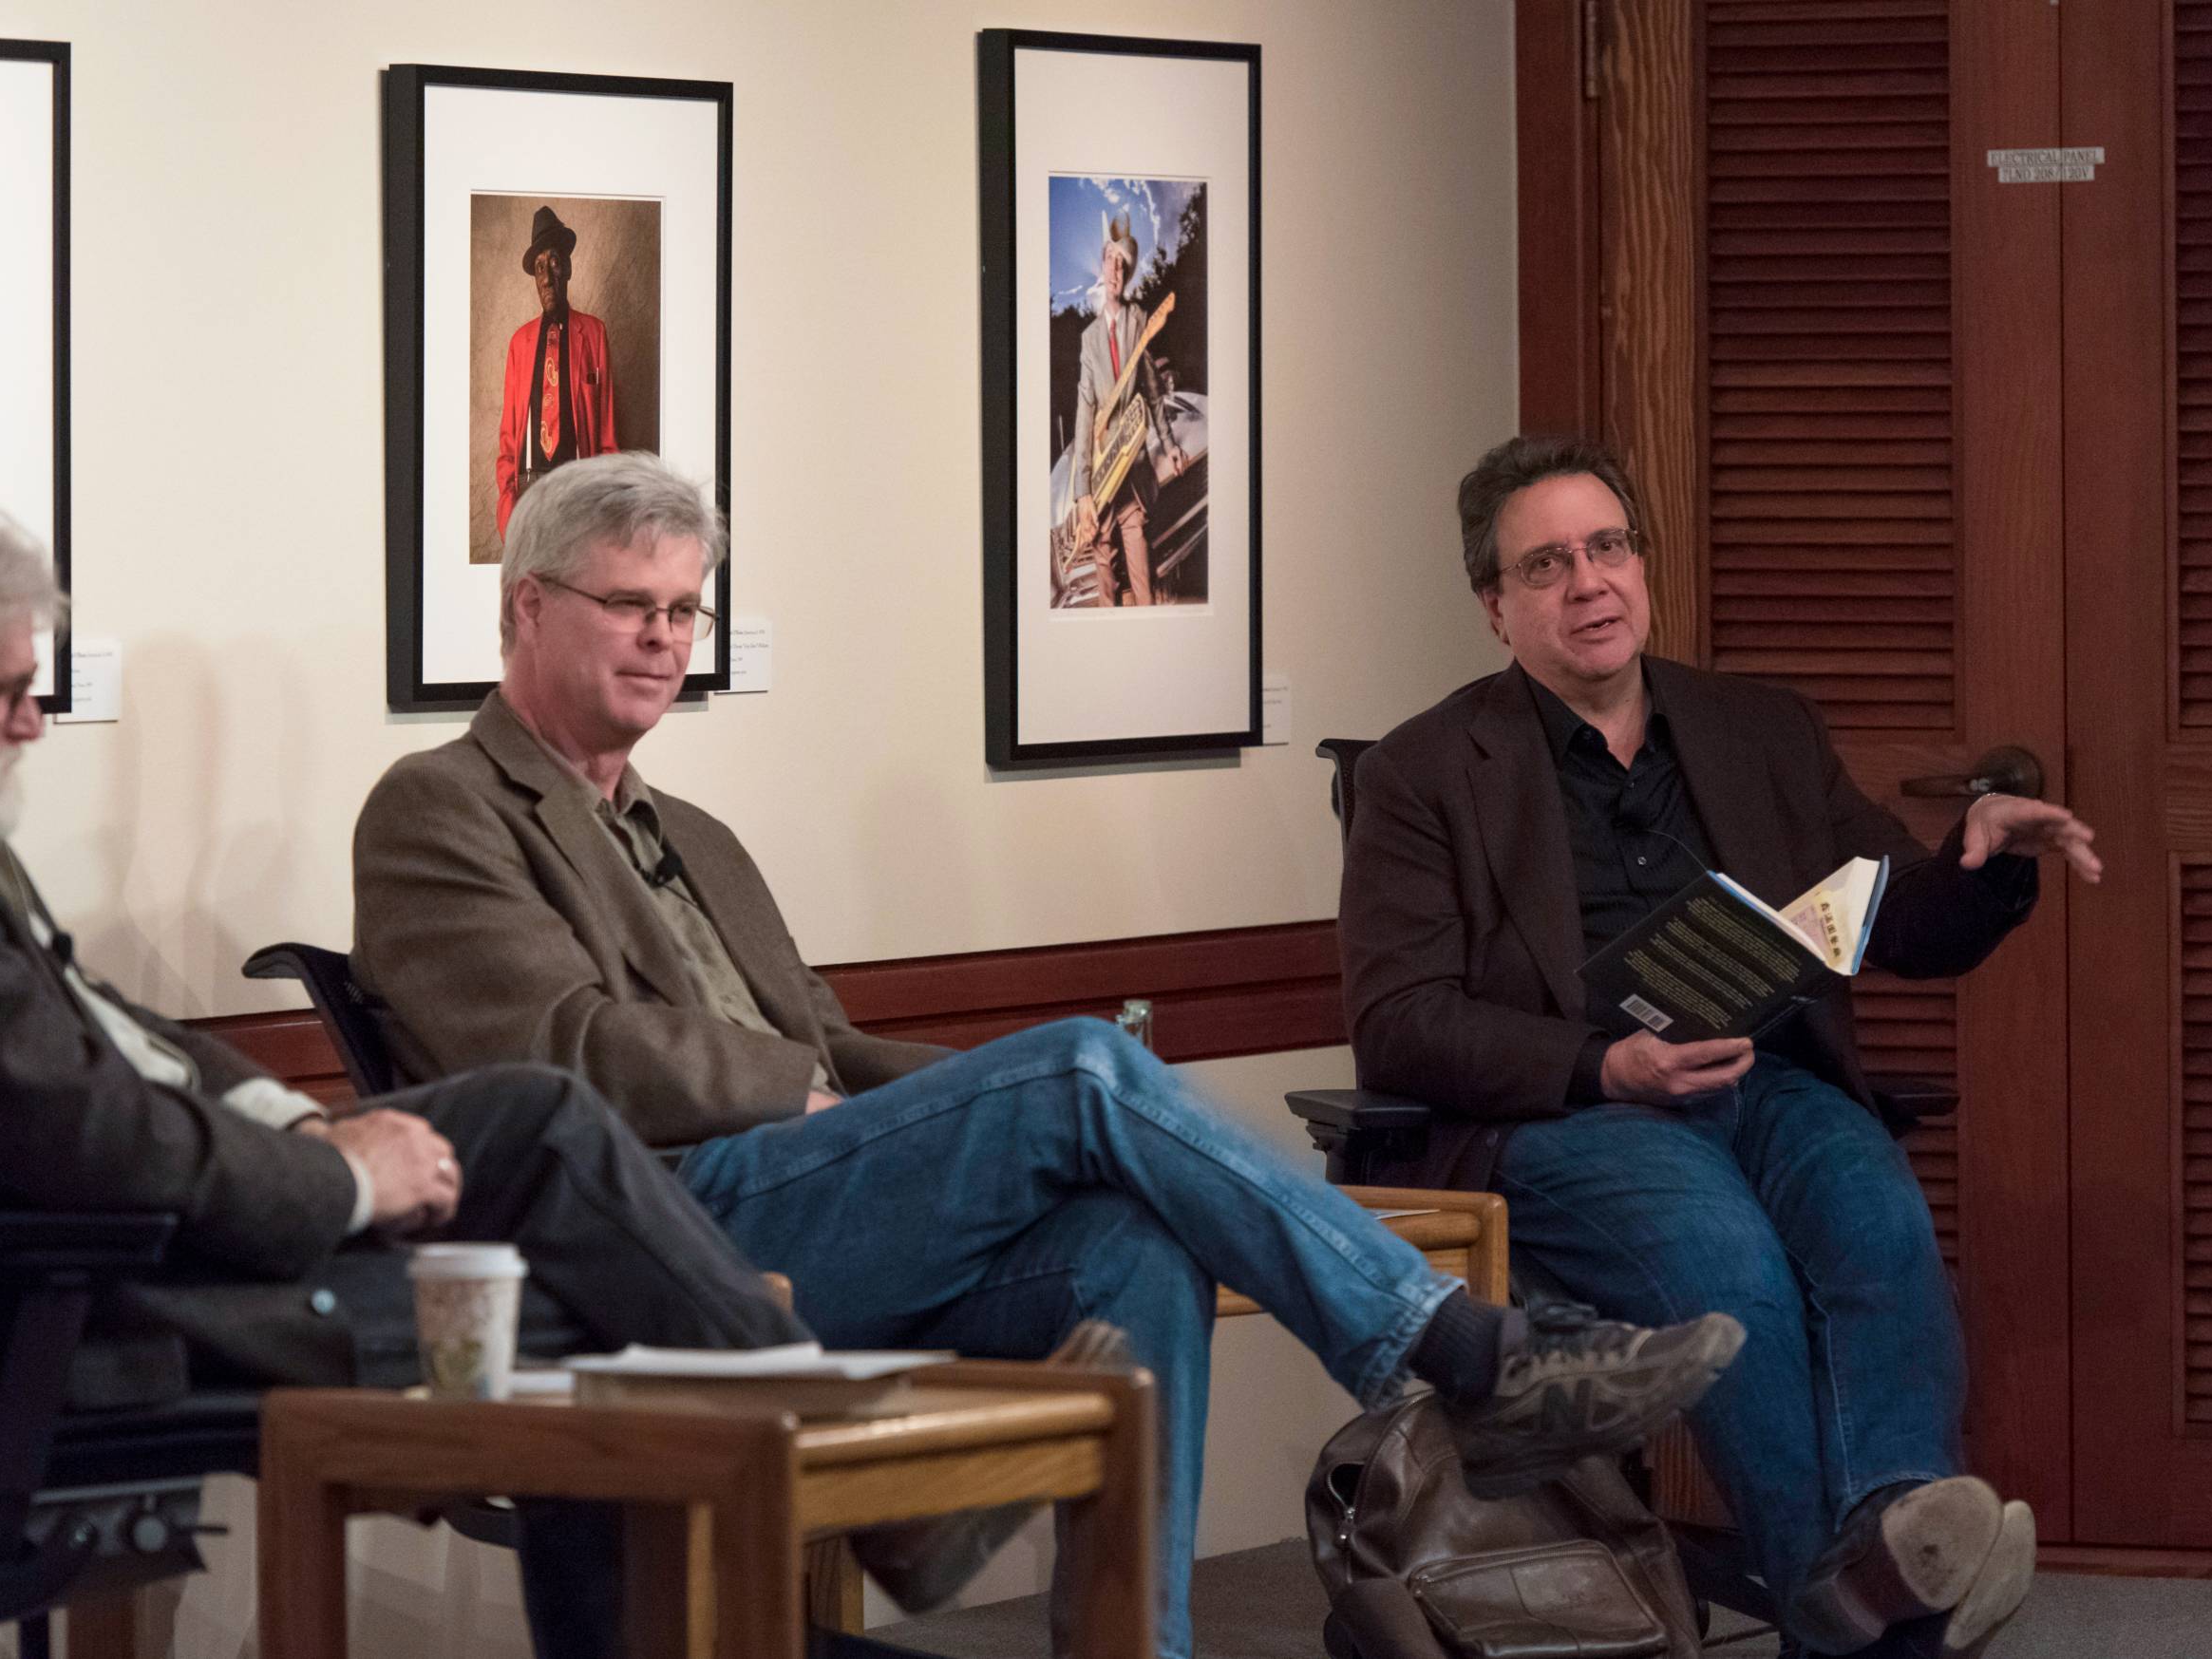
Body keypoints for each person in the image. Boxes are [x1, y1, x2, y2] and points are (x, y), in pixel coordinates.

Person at [350, 451, 1748, 1659]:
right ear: (526, 607)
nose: (663, 639)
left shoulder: (695, 835)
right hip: (647, 1233)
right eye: (630, 606)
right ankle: (1455, 1346)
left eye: (682, 610)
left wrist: (1001, 1096)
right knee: (1079, 1069)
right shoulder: (439, 809)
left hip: (797, 1204)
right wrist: (964, 1088)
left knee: (1128, 1242)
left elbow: (829, 1042)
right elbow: (557, 1050)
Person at [0, 489, 1011, 1657]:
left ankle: (853, 1506)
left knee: (534, 1118)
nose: (35, 723)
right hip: (80, 1324)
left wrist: (297, 1120)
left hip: (96, 1272)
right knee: (583, 1308)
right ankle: (876, 1501)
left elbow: (115, 1033)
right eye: (6, 692)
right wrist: (340, 1180)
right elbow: (94, 1141)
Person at [1339, 435, 2106, 1659]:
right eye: (1545, 564)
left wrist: (1983, 859)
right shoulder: (1423, 772)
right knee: (1730, 1269)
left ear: (1640, 565)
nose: (1587, 583)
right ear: (1494, 606)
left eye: (1606, 547)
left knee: (1877, 1226)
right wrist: (1604, 1065)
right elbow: (1400, 1021)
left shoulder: (1758, 728)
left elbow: (1891, 919)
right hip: (1578, 1110)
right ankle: (1866, 1616)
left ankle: (1877, 1555)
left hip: (1768, 1079)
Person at [1066, 214, 1175, 607]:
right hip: (1102, 477)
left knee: (1143, 580)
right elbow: (1085, 412)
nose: (1115, 270)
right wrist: (1083, 492)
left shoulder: (1139, 320)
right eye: (1110, 259)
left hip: (1134, 472)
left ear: (1126, 275)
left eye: (1122, 264)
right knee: (1105, 581)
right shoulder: (1089, 339)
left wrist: (1169, 444)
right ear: (1101, 265)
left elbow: (1153, 391)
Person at [494, 205, 620, 542]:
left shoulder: (593, 334)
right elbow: (507, 440)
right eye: (539, 269)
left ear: (568, 268)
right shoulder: (519, 343)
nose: (547, 277)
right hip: (528, 497)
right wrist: (509, 509)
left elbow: (608, 437)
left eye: (553, 263)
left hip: (580, 495)